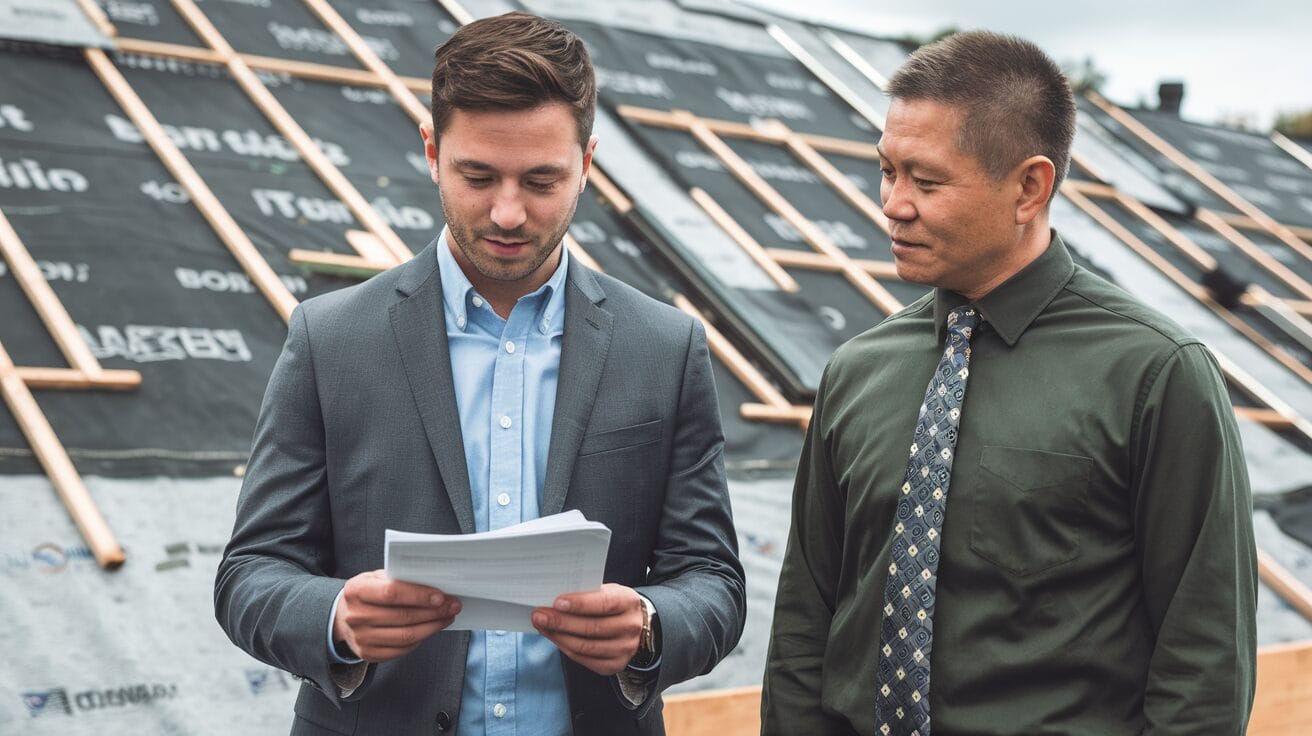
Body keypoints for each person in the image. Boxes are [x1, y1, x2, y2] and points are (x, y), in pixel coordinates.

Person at [215, 12, 744, 736]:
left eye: (541, 180)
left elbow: (713, 580)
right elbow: (251, 571)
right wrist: (337, 617)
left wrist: (649, 626)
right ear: (432, 152)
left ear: (587, 163)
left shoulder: (665, 346)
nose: (507, 212)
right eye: (478, 176)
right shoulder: (331, 338)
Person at [762, 30, 1256, 735]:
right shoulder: (857, 371)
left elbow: (1205, 659)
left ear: (1030, 186)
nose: (892, 204)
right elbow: (806, 621)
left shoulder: (1155, 376)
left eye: (926, 181)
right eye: (886, 170)